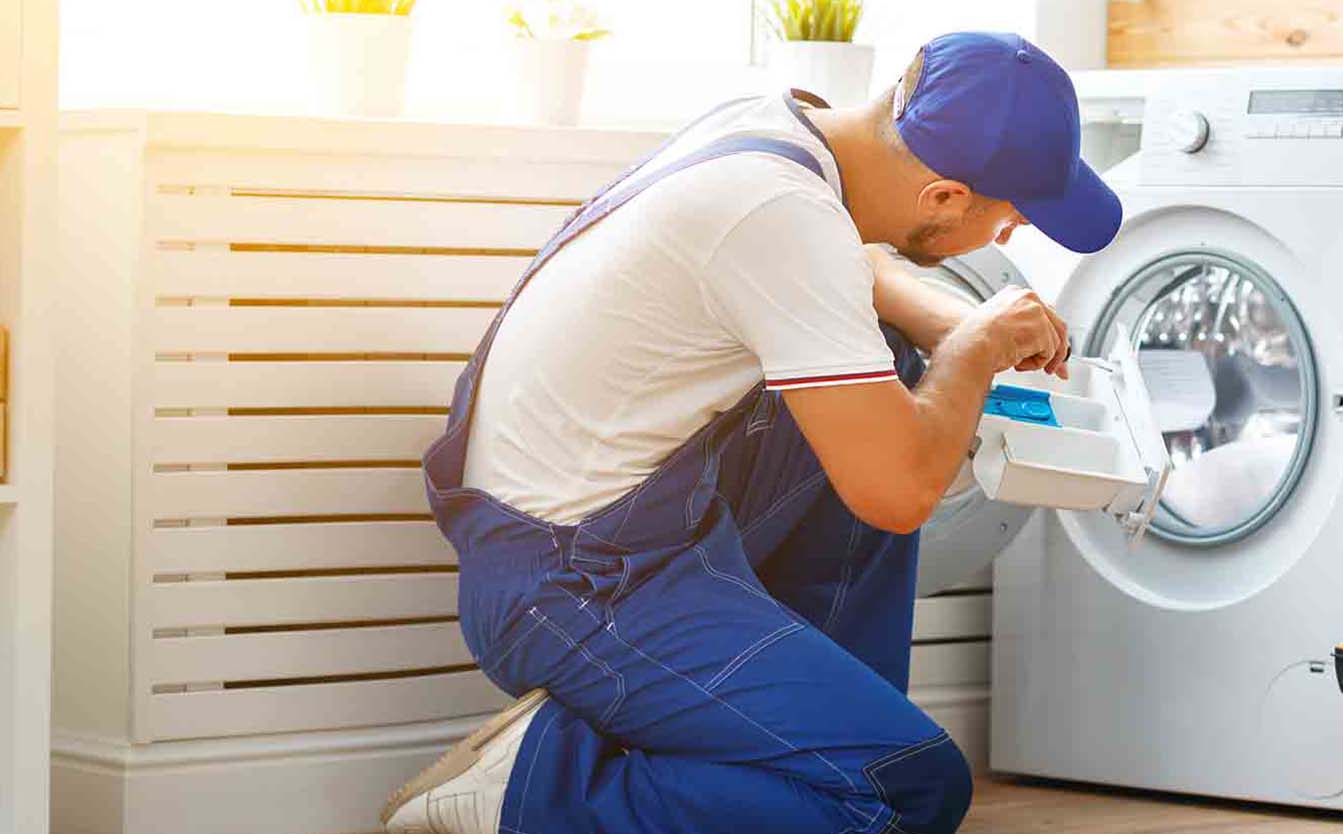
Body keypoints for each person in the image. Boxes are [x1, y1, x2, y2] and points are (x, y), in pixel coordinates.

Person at [380, 31, 1121, 834]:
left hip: (614, 532)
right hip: (569, 584)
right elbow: (899, 492)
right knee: (908, 791)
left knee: (889, 370)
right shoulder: (782, 218)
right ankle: (534, 788)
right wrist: (976, 350)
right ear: (942, 198)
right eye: (1007, 223)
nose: (1006, 239)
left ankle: (819, 749)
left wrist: (953, 323)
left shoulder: (778, 134)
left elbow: (848, 273)